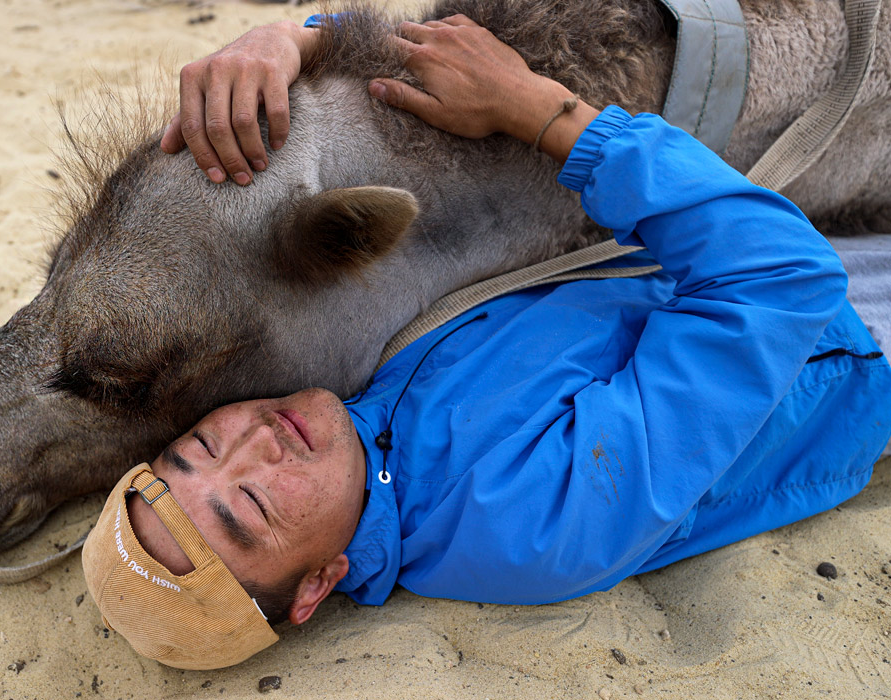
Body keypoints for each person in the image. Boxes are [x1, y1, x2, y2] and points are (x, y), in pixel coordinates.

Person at [81, 16, 891, 670]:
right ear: (317, 587)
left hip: (703, 256)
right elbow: (783, 280)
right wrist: (542, 113)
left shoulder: (356, 423)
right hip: (847, 335)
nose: (256, 442)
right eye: (252, 504)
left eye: (204, 440)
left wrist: (293, 39)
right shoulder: (531, 523)